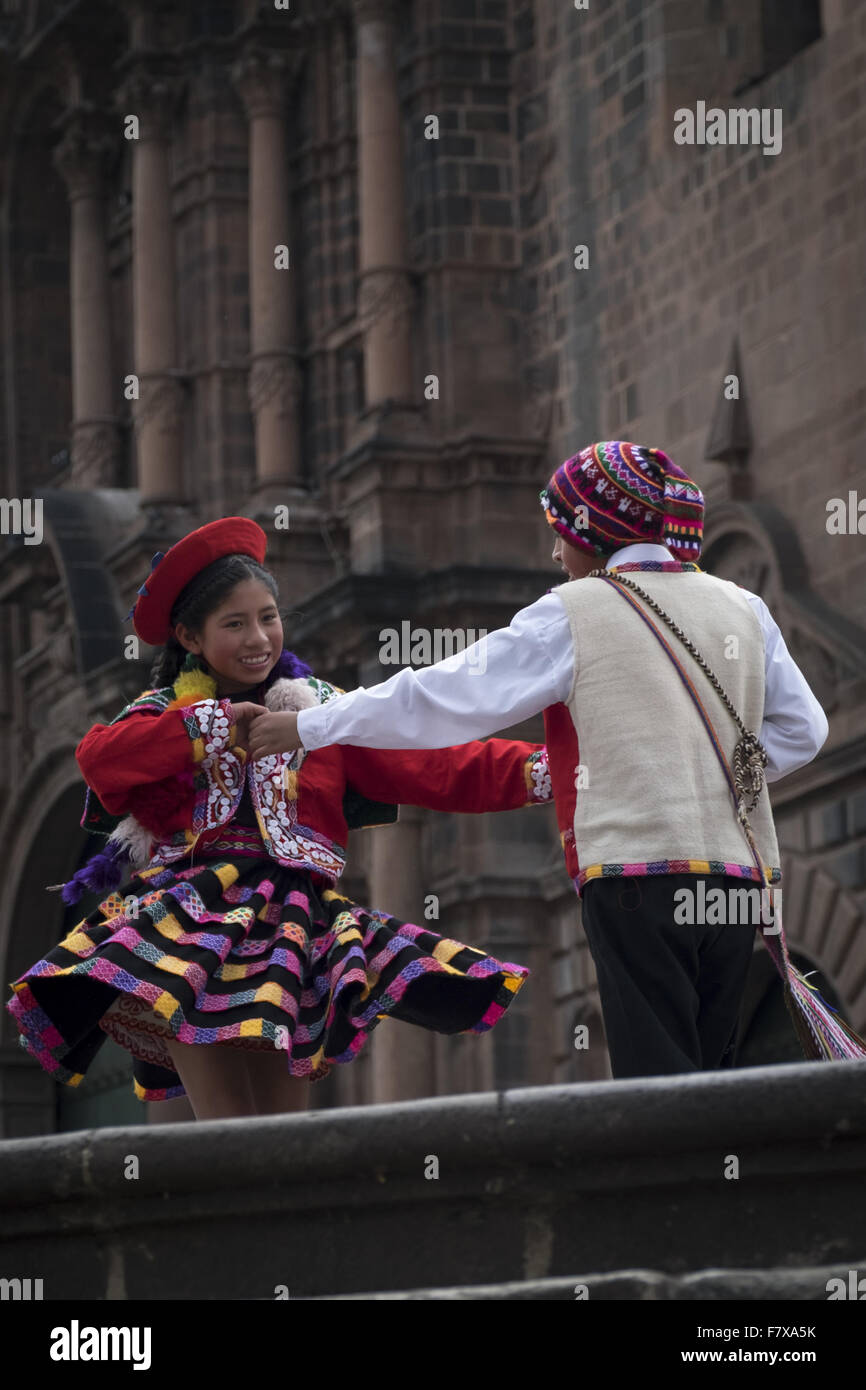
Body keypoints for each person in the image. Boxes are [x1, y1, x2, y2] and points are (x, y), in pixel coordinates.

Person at [253, 442, 833, 1078]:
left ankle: (669, 1176)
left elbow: (445, 695)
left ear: (593, 533)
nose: (555, 553)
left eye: (560, 533)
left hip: (636, 876)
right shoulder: (741, 607)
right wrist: (708, 771)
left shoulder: (575, 612)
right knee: (717, 1073)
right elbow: (804, 730)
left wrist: (311, 723)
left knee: (658, 1078)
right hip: (737, 883)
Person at [6, 517, 553, 1120]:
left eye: (268, 616)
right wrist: (212, 726)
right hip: (192, 926)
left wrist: (550, 769)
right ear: (189, 637)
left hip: (294, 929)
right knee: (222, 1121)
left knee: (280, 1127)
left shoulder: (319, 712)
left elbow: (430, 764)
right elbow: (102, 760)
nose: (257, 637)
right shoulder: (165, 713)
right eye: (234, 623)